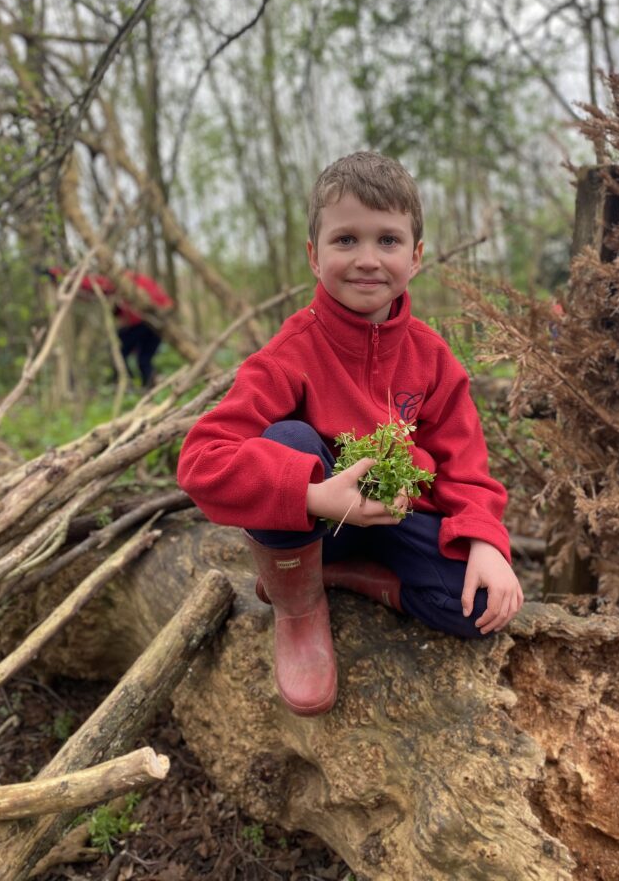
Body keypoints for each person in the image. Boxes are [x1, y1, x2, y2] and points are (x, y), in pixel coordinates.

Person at [177, 152, 523, 716]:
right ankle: (300, 605)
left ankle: (356, 577)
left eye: (387, 241)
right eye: (345, 241)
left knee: (478, 608)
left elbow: (465, 463)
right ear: (315, 257)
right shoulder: (292, 352)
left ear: (415, 257)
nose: (367, 260)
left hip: (396, 521)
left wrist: (486, 541)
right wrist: (313, 495)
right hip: (313, 523)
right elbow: (201, 461)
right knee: (288, 439)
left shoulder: (432, 358)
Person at [46, 267, 173, 388]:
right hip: (157, 324)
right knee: (143, 359)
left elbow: (88, 283)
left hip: (143, 322)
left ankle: (127, 383)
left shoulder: (121, 280)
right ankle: (147, 385)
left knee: (117, 350)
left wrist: (55, 273)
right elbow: (167, 303)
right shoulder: (141, 280)